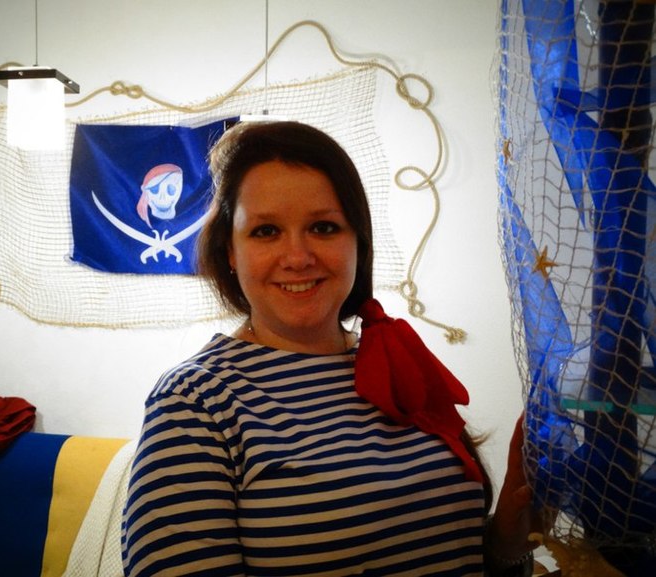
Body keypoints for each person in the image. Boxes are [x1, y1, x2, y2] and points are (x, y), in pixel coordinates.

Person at [121, 120, 540, 576]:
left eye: (323, 227)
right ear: (230, 252)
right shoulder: (193, 402)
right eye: (266, 231)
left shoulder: (393, 358)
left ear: (358, 242)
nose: (298, 257)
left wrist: (507, 539)